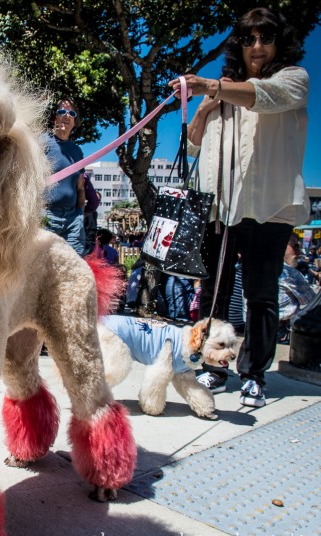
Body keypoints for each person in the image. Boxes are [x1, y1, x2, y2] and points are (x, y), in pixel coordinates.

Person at [170, 7, 310, 407]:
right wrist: (203, 107)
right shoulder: (222, 93)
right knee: (215, 292)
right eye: (249, 39)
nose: (258, 47)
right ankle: (214, 367)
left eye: (266, 38)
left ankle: (254, 374)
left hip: (271, 206)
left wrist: (211, 87)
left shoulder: (292, 78)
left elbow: (263, 98)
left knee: (261, 294)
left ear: (280, 43)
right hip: (220, 211)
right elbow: (194, 144)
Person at [44, 99, 86, 255]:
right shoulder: (42, 143)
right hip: (46, 215)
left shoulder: (76, 151)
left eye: (71, 113)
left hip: (72, 218)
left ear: (74, 122)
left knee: (76, 262)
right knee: (44, 264)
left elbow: (80, 187)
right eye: (62, 112)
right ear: (54, 118)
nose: (66, 116)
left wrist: (80, 214)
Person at [278, 236, 316, 342]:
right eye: (295, 246)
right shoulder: (288, 272)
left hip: (252, 326)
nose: (299, 252)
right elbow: (312, 301)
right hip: (280, 331)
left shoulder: (257, 267)